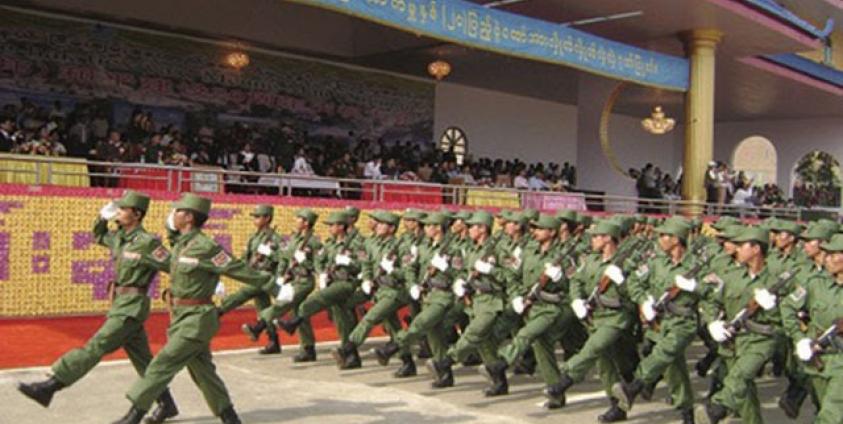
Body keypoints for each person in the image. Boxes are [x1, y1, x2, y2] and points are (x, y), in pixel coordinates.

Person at [17, 191, 179, 424]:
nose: (119, 212)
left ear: (137, 214)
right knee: (145, 362)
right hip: (120, 305)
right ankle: (167, 404)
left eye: (123, 209)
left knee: (96, 346)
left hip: (131, 307)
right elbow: (99, 235)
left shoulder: (147, 243)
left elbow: (175, 266)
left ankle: (51, 386)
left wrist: (202, 286)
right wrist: (102, 218)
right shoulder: (120, 238)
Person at [112, 193, 273, 424]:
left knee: (162, 364)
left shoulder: (206, 247)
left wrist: (275, 287)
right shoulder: (181, 244)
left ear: (189, 217)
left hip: (198, 319)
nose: (173, 214)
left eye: (178, 211)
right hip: (180, 317)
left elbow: (238, 268)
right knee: (203, 372)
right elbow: (171, 236)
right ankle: (230, 417)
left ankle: (133, 416)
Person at [695, 227, 795, 424]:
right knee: (743, 391)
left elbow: (794, 313)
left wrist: (775, 306)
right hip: (734, 339)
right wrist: (713, 322)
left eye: (741, 245)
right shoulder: (732, 275)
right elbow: (711, 301)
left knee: (740, 375)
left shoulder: (777, 277)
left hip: (763, 339)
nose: (736, 249)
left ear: (756, 248)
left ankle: (717, 408)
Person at [781, 233, 843, 424]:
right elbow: (788, 306)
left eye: (834, 255)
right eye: (827, 254)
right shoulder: (816, 283)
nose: (828, 259)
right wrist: (799, 338)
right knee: (824, 409)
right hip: (819, 361)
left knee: (829, 416)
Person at [217, 204, 284, 354]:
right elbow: (245, 257)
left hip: (266, 276)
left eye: (258, 216)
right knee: (263, 309)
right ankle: (273, 341)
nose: (255, 219)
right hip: (254, 274)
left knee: (243, 293)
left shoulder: (275, 239)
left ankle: (220, 310)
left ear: (267, 218)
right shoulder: (254, 238)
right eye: (254, 217)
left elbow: (283, 258)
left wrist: (270, 254)